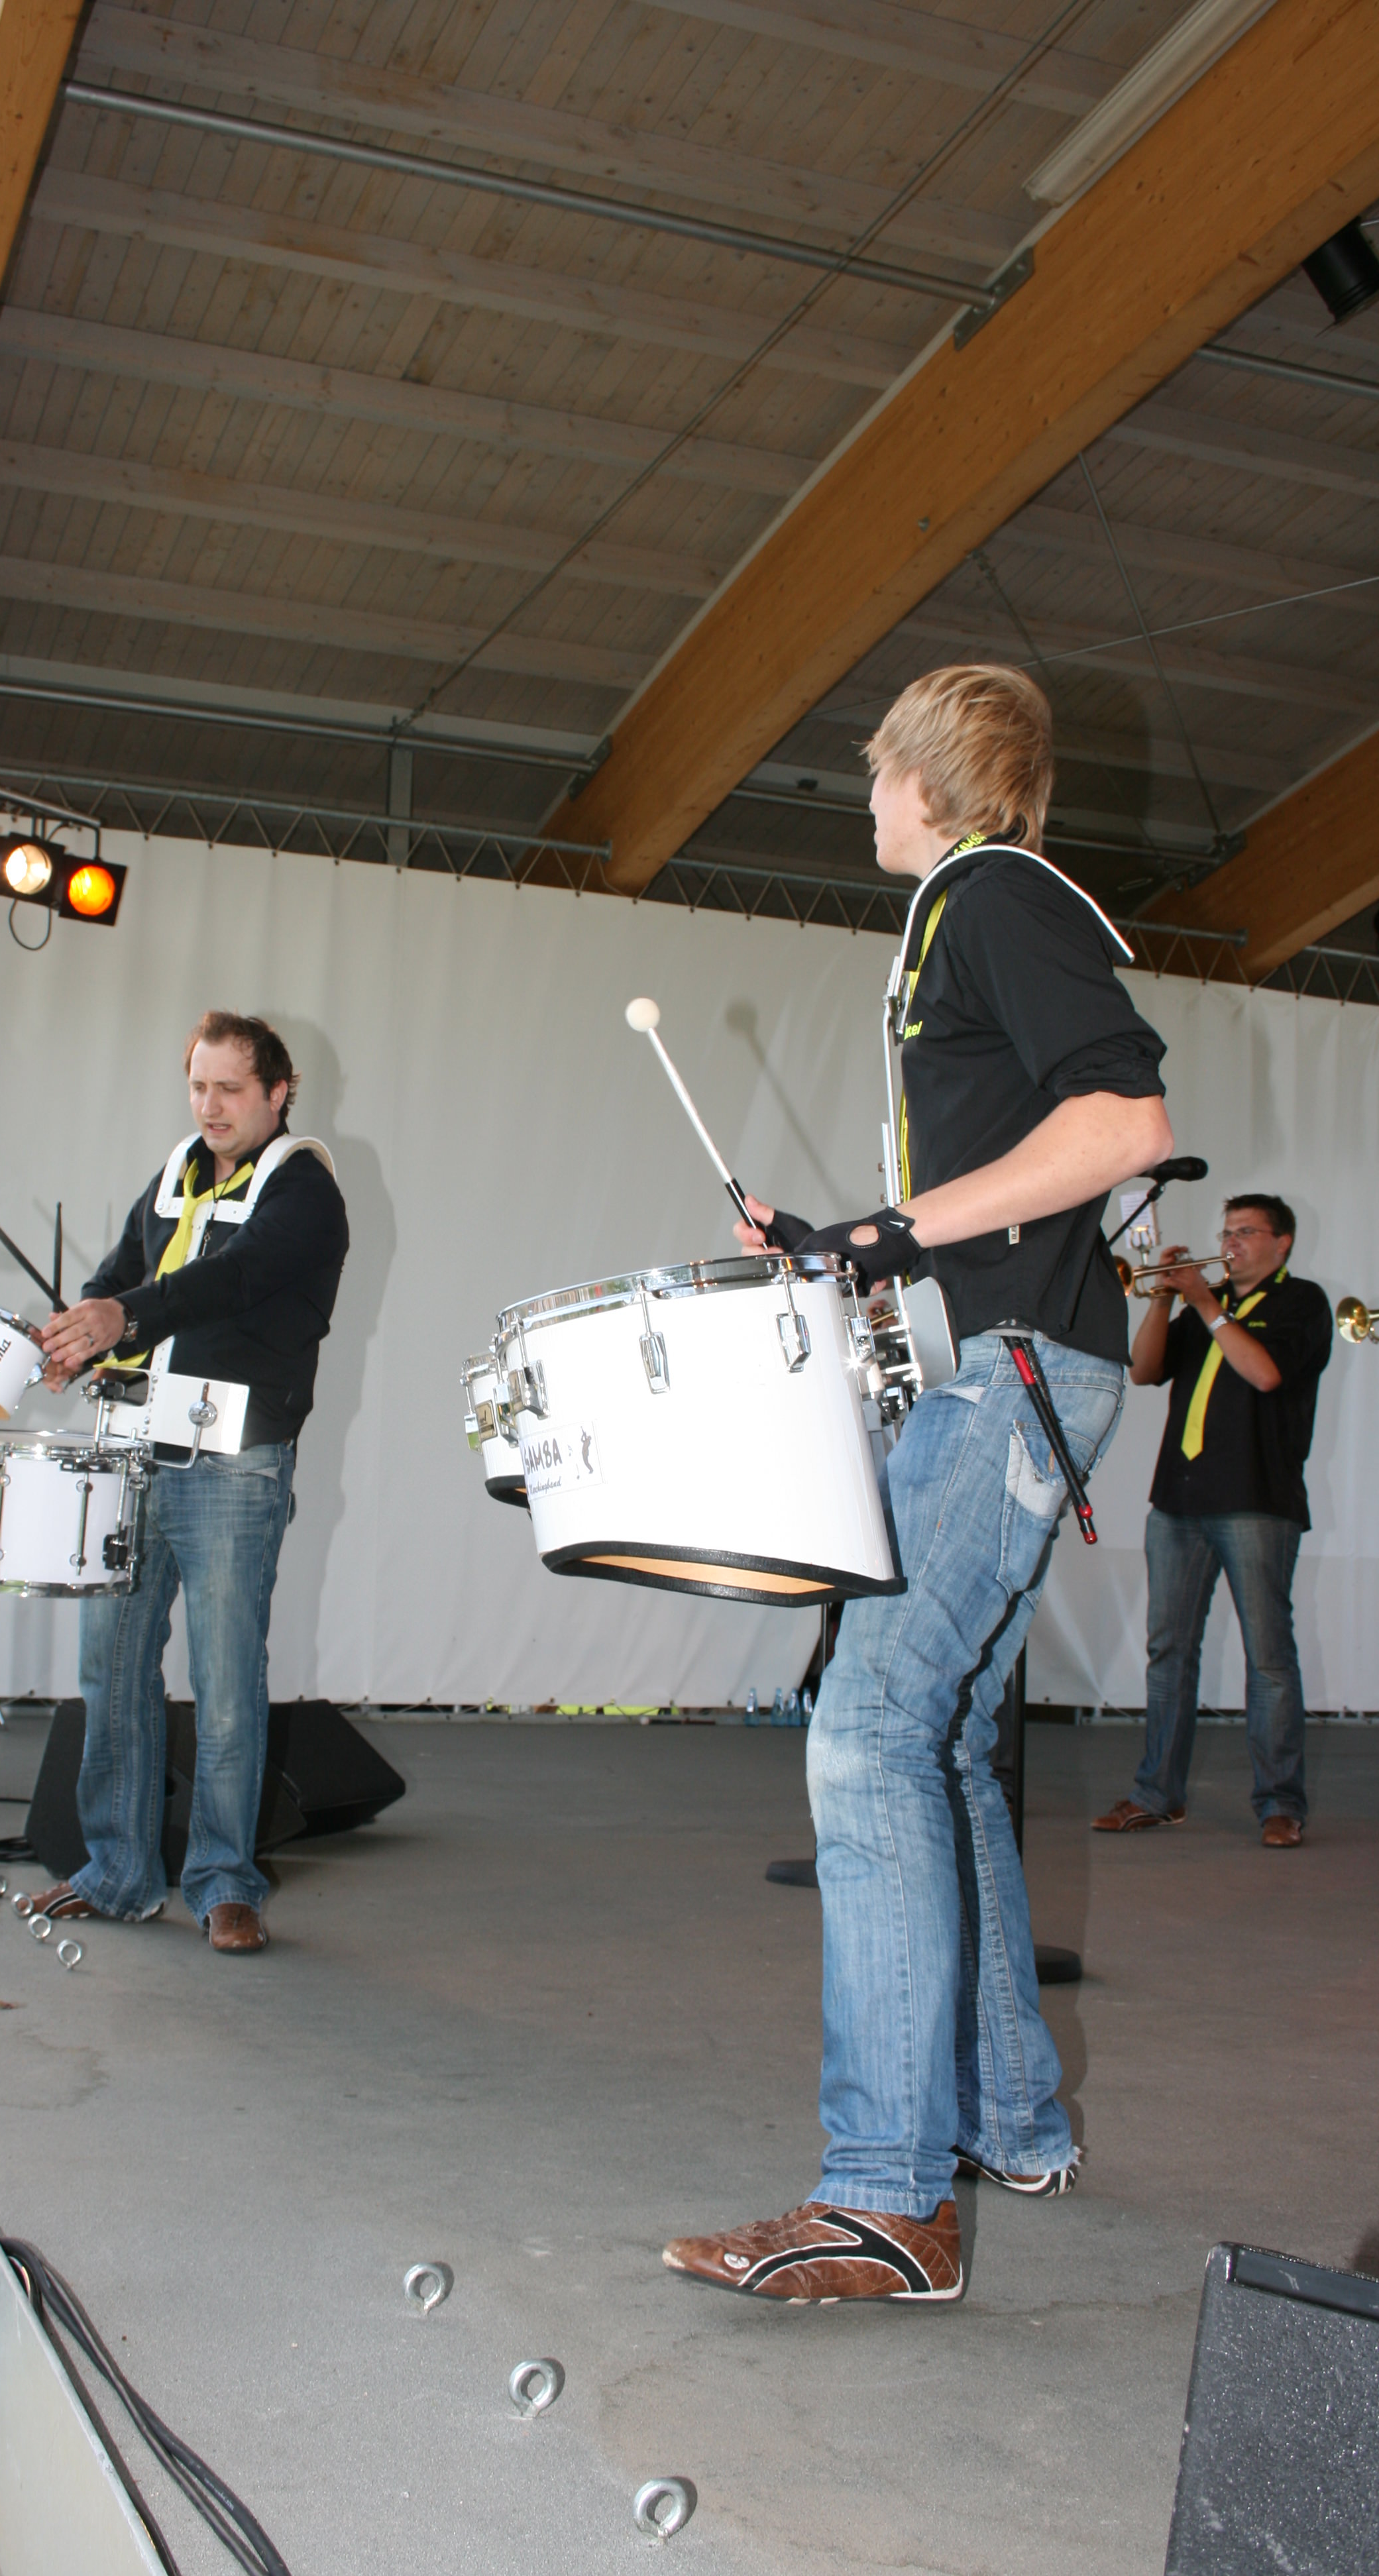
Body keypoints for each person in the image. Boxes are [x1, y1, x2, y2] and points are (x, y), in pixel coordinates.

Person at [662, 664, 1173, 2308]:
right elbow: (1011, 1178)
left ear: (931, 782)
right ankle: (1012, 2121)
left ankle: (885, 2198)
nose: (866, 796)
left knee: (869, 1729)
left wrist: (882, 1234)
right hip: (1021, 1365)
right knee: (935, 1742)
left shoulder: (990, 893)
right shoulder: (967, 910)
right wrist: (850, 1248)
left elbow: (1124, 1123)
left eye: (879, 770)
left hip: (1015, 1379)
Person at [34, 1012, 348, 1955]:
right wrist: (77, 1334)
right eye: (199, 1087)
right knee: (112, 1669)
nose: (209, 1107)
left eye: (230, 1090)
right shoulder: (177, 1171)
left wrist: (121, 1316)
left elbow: (231, 1279)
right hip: (135, 1450)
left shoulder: (305, 1187)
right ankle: (117, 1871)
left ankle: (224, 1882)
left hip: (234, 1465)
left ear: (277, 1093)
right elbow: (121, 1273)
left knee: (225, 1680)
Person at [1092, 1197, 1331, 1849]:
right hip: (1178, 1499)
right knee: (1169, 1652)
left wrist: (1204, 1304)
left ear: (1282, 1242)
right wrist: (1163, 1302)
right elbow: (1145, 1371)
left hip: (1257, 1499)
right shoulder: (1208, 1303)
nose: (1231, 1242)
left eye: (1247, 1232)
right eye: (1226, 1231)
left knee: (1268, 1659)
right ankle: (1156, 1795)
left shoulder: (1301, 1302)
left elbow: (1265, 1374)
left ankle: (1280, 1804)